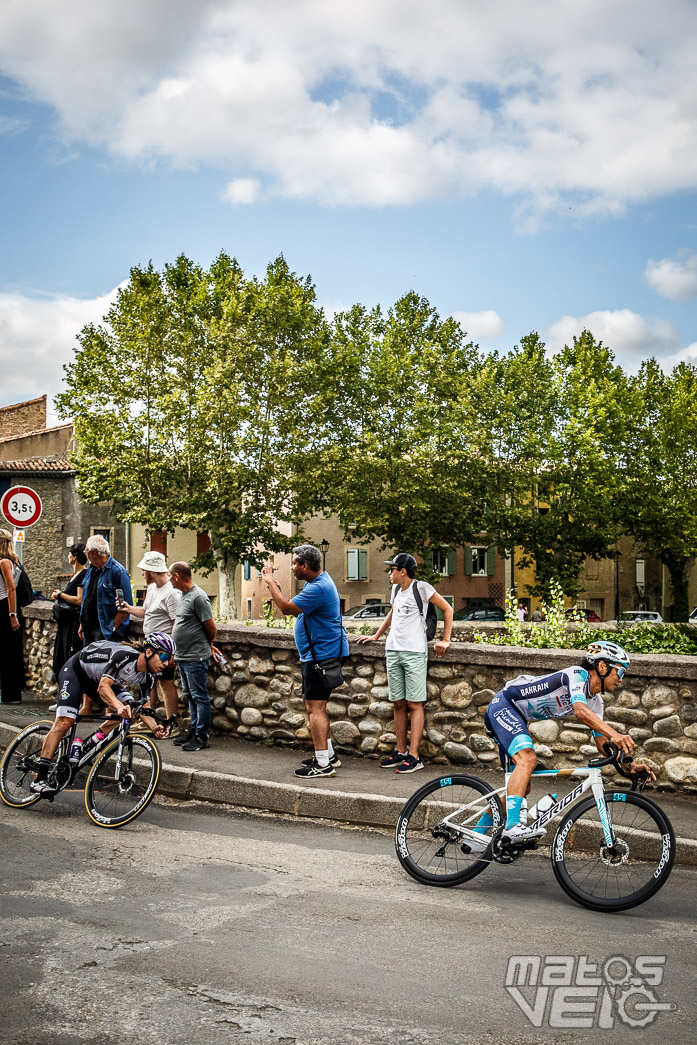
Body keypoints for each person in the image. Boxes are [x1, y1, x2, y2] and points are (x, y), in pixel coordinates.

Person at [484, 640, 656, 842]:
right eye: (620, 672)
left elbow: (602, 746)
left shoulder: (596, 702)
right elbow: (580, 711)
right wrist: (614, 734)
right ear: (602, 666)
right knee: (528, 760)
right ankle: (512, 828)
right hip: (504, 705)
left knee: (523, 787)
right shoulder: (576, 674)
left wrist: (629, 767)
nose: (621, 679)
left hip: (518, 716)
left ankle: (474, 838)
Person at [30, 632, 174, 796]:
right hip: (77, 672)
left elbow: (143, 708)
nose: (167, 662)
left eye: (170, 659)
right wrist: (118, 705)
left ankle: (84, 746)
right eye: (164, 656)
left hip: (100, 679)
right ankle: (39, 779)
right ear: (149, 652)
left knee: (129, 712)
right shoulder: (125, 656)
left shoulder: (149, 676)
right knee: (65, 722)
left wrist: (155, 727)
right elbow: (103, 687)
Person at [357, 552, 454, 773]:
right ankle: (400, 752)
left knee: (415, 704)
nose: (389, 572)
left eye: (392, 569)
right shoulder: (395, 590)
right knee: (398, 703)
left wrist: (445, 639)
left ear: (403, 571)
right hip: (394, 650)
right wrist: (377, 635)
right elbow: (393, 612)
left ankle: (414, 756)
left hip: (414, 652)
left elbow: (447, 609)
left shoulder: (422, 588)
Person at [262, 544, 348, 778]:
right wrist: (276, 586)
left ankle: (323, 765)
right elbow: (293, 603)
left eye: (295, 563)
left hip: (321, 655)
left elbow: (287, 608)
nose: (292, 567)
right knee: (315, 705)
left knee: (315, 708)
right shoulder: (317, 582)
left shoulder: (318, 587)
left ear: (305, 566)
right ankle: (327, 755)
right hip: (319, 653)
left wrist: (270, 581)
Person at [118, 551, 182, 738]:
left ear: (152, 572)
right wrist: (128, 609)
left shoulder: (172, 594)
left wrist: (172, 654)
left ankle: (172, 724)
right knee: (149, 682)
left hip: (163, 648)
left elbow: (175, 624)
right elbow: (146, 612)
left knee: (165, 683)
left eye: (144, 570)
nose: (142, 574)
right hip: (150, 645)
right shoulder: (153, 589)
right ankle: (150, 720)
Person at [169, 561, 217, 752]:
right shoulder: (184, 596)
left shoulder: (199, 597)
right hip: (183, 655)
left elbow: (211, 626)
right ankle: (195, 730)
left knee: (199, 696)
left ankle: (202, 736)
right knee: (190, 695)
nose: (169, 580)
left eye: (170, 576)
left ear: (177, 577)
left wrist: (209, 644)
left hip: (196, 656)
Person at [79, 535, 132, 644]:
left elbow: (124, 606)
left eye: (86, 550)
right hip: (88, 631)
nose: (85, 553)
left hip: (104, 632)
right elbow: (87, 598)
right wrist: (82, 623)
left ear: (94, 553)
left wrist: (110, 629)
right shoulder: (92, 570)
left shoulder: (118, 572)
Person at [50, 542, 88, 676]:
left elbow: (79, 599)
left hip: (72, 624)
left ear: (75, 557)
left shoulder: (83, 574)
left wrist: (60, 594)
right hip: (65, 624)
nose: (68, 556)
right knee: (60, 659)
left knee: (68, 657)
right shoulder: (75, 575)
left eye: (70, 554)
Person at [0, 528, 24, 704]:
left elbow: (10, 589)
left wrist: (12, 614)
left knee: (7, 652)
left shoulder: (3, 562)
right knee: (12, 650)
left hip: (5, 608)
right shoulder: (14, 560)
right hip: (10, 608)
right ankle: (12, 693)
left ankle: (10, 694)